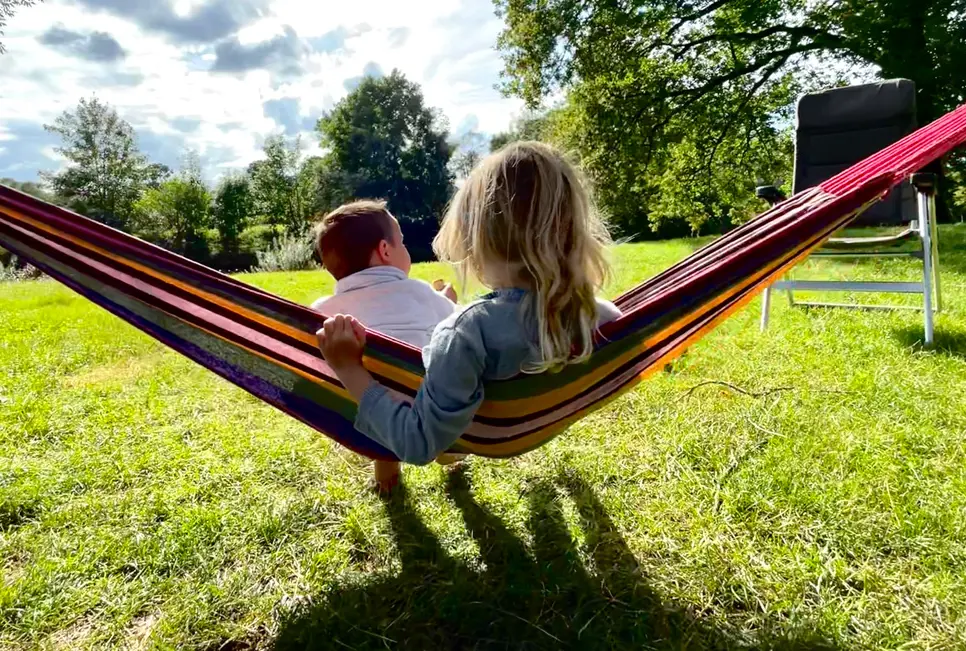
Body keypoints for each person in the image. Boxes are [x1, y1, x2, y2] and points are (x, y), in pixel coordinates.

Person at [317, 141, 621, 466]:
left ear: (476, 238)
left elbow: (418, 444)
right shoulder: (600, 314)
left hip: (456, 432)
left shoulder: (463, 333)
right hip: (537, 425)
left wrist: (349, 368)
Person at [311, 199, 458, 490]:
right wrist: (448, 301)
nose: (405, 249)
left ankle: (386, 479)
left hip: (360, 415)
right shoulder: (420, 292)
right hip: (427, 414)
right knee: (435, 368)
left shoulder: (320, 313)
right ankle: (450, 452)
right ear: (385, 250)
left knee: (378, 386)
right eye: (402, 242)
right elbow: (459, 326)